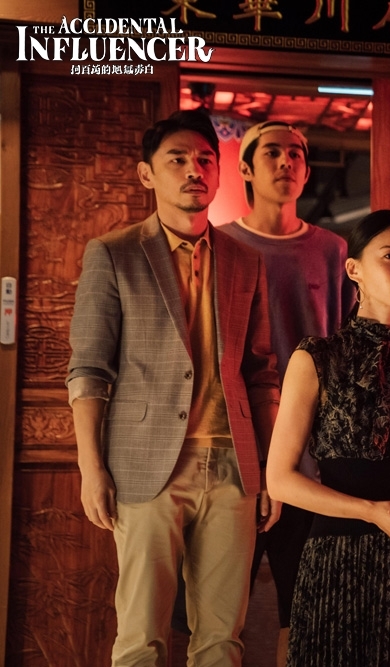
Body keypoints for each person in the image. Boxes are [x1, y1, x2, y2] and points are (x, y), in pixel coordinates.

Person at [67, 109, 281, 666]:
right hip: (145, 467)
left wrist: (270, 469)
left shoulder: (246, 261)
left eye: (206, 160)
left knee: (222, 639)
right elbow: (88, 369)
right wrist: (91, 468)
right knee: (142, 636)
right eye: (177, 159)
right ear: (147, 174)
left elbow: (261, 372)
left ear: (219, 172)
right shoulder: (113, 253)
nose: (194, 170)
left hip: (234, 467)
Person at [266, 210, 390, 666]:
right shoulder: (317, 357)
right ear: (354, 269)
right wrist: (371, 512)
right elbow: (280, 480)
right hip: (337, 563)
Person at [216, 120, 353, 666]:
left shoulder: (333, 250)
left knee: (304, 610)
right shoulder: (221, 244)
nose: (286, 162)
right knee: (221, 608)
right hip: (237, 446)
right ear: (245, 168)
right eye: (271, 152)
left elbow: (344, 348)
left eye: (296, 153)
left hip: (310, 456)